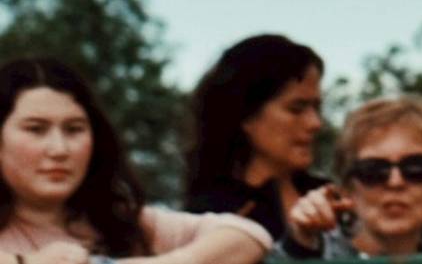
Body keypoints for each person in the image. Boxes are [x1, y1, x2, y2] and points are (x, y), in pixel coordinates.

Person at [0, 57, 271, 264]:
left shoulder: (120, 222)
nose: (59, 149)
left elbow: (248, 234)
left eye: (74, 129)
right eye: (35, 129)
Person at [184, 36, 327, 244]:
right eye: (296, 109)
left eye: (317, 108)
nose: (315, 123)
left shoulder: (333, 197)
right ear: (246, 116)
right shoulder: (214, 216)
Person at [279, 96, 422, 260]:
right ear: (346, 190)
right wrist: (298, 246)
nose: (395, 182)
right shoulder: (308, 251)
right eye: (373, 170)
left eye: (415, 169)